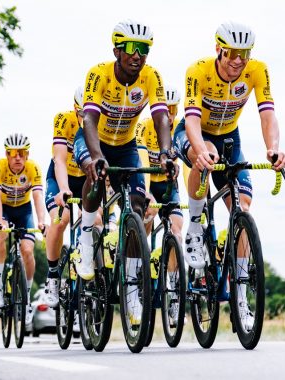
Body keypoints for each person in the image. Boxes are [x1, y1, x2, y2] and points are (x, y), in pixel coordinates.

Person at [173, 21, 285, 329]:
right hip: (193, 132)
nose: (239, 60)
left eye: (245, 53)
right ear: (219, 50)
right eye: (233, 53)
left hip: (229, 137)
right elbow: (193, 121)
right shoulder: (197, 71)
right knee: (202, 155)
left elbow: (267, 114)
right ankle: (195, 227)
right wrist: (201, 151)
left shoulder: (257, 71)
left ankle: (240, 297)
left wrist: (274, 149)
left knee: (244, 209)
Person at [73, 19, 178, 324]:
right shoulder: (99, 73)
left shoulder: (151, 76)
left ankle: (132, 289)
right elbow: (89, 120)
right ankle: (87, 238)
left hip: (127, 144)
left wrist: (168, 152)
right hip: (95, 140)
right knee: (94, 174)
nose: (138, 55)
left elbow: (161, 119)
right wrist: (95, 157)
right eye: (132, 48)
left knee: (138, 205)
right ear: (117, 49)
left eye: (144, 49)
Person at [0, 133, 48, 326]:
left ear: (27, 154)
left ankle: (27, 298)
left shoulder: (33, 169)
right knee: (1, 235)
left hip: (23, 210)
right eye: (13, 153)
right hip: (3, 209)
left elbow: (38, 196)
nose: (17, 157)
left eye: (21, 153)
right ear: (6, 154)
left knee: (28, 250)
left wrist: (41, 221)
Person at [43, 87, 86, 308]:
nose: (84, 120)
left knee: (96, 219)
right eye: (81, 114)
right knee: (61, 220)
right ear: (75, 109)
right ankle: (52, 276)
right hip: (62, 178)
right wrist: (63, 189)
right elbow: (59, 159)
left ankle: (86, 256)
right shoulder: (63, 119)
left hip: (85, 178)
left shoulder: (100, 123)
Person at [136, 85, 183, 242]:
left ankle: (170, 267)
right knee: (149, 211)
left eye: (173, 109)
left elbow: (189, 164)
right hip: (147, 181)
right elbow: (142, 160)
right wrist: (146, 191)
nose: (169, 114)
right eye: (165, 109)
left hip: (167, 184)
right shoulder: (143, 126)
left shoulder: (180, 127)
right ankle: (138, 253)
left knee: (176, 230)